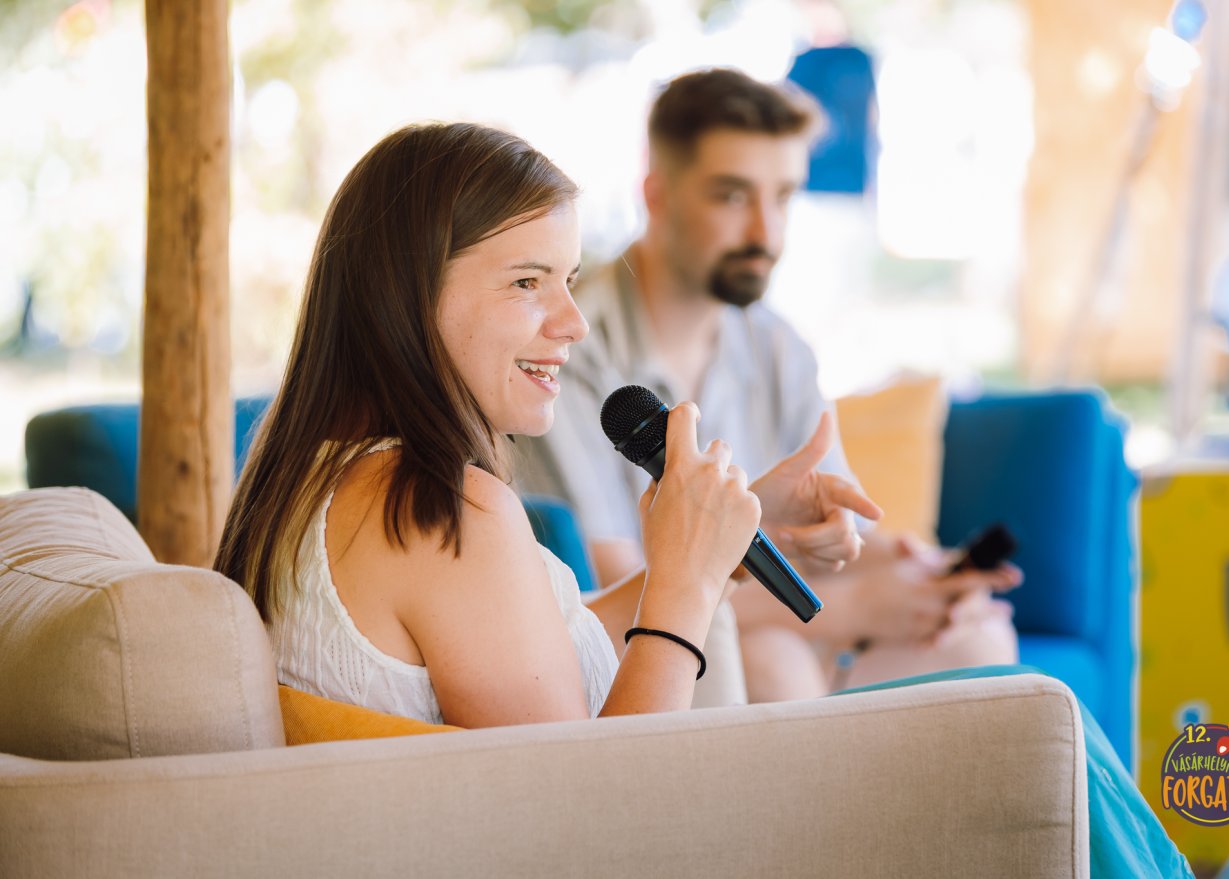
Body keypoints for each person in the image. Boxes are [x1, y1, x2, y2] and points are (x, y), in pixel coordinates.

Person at [213, 121, 872, 728]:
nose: (574, 322)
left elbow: (542, 645)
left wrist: (713, 550)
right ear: (408, 299)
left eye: (569, 280)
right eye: (528, 282)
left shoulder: (328, 478)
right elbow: (590, 815)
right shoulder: (442, 512)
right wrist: (684, 591)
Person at [515, 68, 1021, 703]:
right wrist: (858, 606)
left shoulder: (779, 347)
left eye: (783, 197)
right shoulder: (566, 344)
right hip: (640, 652)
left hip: (757, 633)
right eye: (732, 196)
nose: (766, 234)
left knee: (979, 636)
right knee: (771, 656)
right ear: (658, 194)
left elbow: (827, 537)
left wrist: (915, 568)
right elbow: (622, 585)